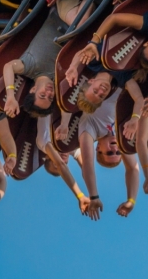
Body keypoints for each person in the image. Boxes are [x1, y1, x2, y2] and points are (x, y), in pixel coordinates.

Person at [59, 85, 141, 220]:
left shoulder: (90, 128)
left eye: (109, 153)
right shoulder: (123, 134)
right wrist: (131, 200)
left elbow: (87, 164)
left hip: (101, 83)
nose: (115, 149)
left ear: (98, 149)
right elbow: (132, 168)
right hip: (126, 82)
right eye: (117, 153)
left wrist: (94, 196)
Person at [37, 114, 90, 214]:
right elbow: (87, 168)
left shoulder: (43, 142)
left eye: (56, 164)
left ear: (48, 156)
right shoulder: (70, 148)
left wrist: (80, 195)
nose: (62, 162)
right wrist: (93, 195)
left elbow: (61, 165)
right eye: (65, 165)